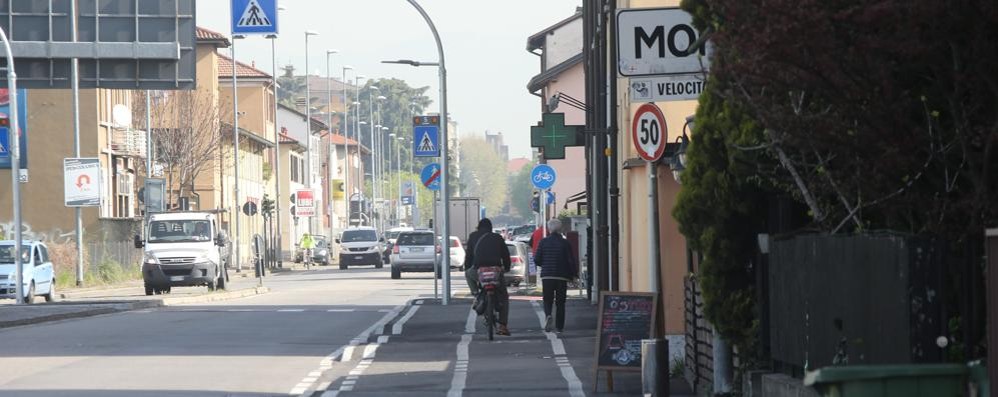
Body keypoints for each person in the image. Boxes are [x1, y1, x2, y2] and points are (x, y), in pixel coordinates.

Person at [465, 218, 512, 336]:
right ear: (491, 228)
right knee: (504, 296)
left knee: (468, 274)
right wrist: (506, 268)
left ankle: (476, 294)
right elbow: (505, 255)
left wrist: (468, 268)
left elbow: (469, 256)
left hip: (479, 271)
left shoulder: (473, 236)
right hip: (496, 271)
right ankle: (502, 325)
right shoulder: (497, 238)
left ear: (478, 227)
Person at [534, 218, 577, 333]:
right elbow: (570, 260)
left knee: (547, 300)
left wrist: (545, 264)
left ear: (549, 229)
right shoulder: (565, 243)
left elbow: (537, 259)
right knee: (560, 302)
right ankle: (559, 327)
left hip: (547, 276)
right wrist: (574, 275)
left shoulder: (543, 242)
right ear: (560, 229)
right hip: (561, 276)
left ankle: (548, 315)